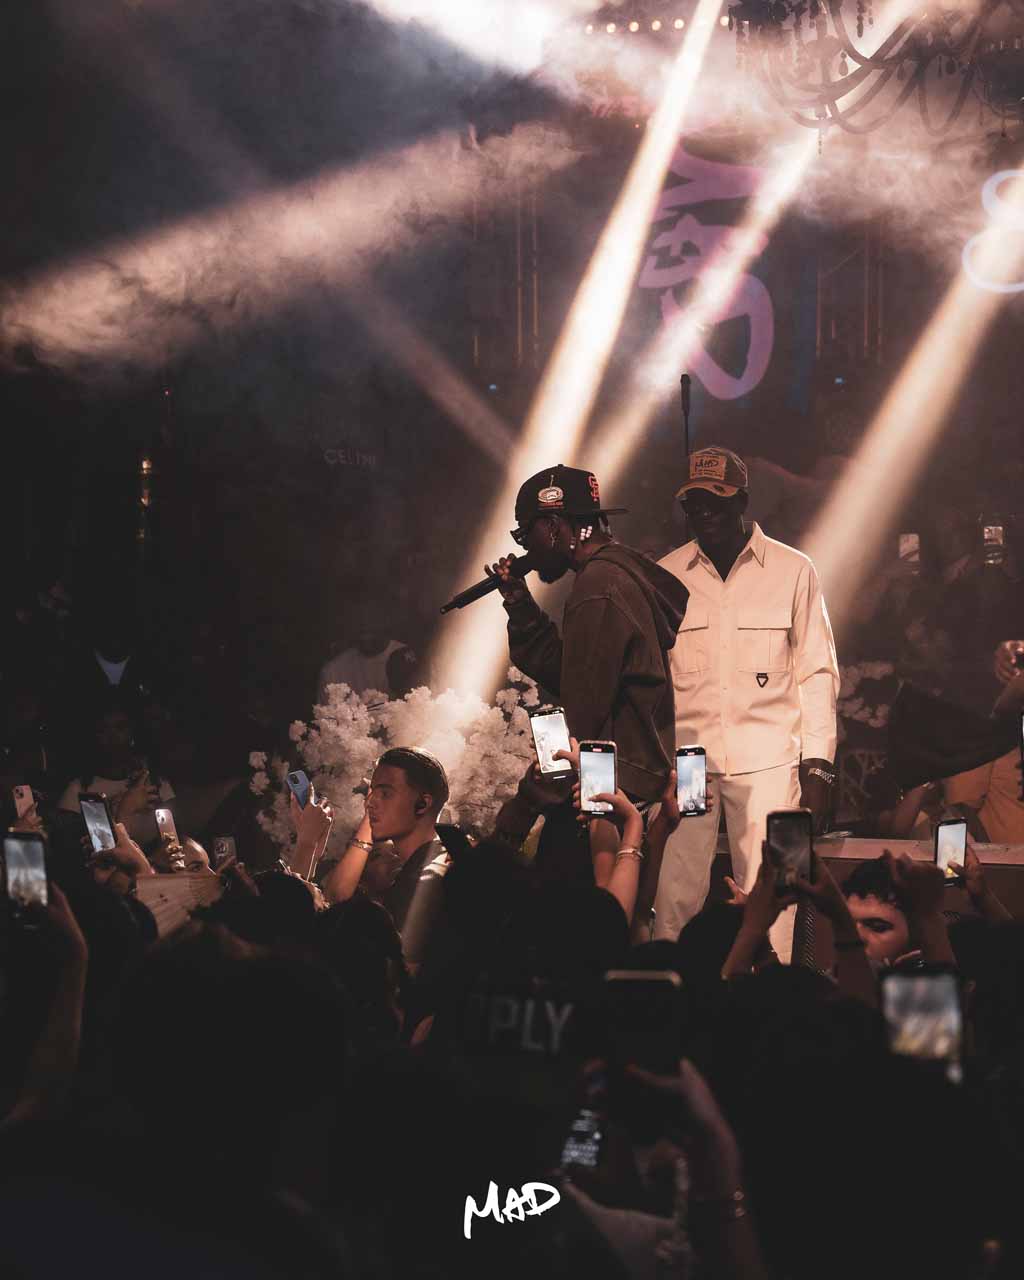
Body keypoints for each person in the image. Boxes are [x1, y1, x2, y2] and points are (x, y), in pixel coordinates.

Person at [654, 447, 839, 958]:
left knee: (781, 891)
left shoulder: (793, 569)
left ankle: (776, 995)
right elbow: (655, 680)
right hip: (691, 761)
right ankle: (668, 991)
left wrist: (818, 764)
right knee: (674, 892)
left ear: (742, 502)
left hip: (773, 760)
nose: (704, 512)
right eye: (694, 503)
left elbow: (818, 670)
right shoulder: (665, 575)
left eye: (716, 501)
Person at [488, 464, 689, 803]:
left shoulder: (598, 587)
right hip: (629, 777)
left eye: (525, 534)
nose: (527, 549)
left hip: (612, 786)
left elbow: (582, 710)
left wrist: (539, 792)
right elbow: (575, 678)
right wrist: (520, 604)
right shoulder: (616, 572)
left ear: (553, 527)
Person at [320, 747, 450, 971]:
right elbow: (335, 898)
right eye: (371, 792)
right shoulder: (428, 862)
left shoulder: (424, 882)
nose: (369, 802)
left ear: (423, 803)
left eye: (386, 793)